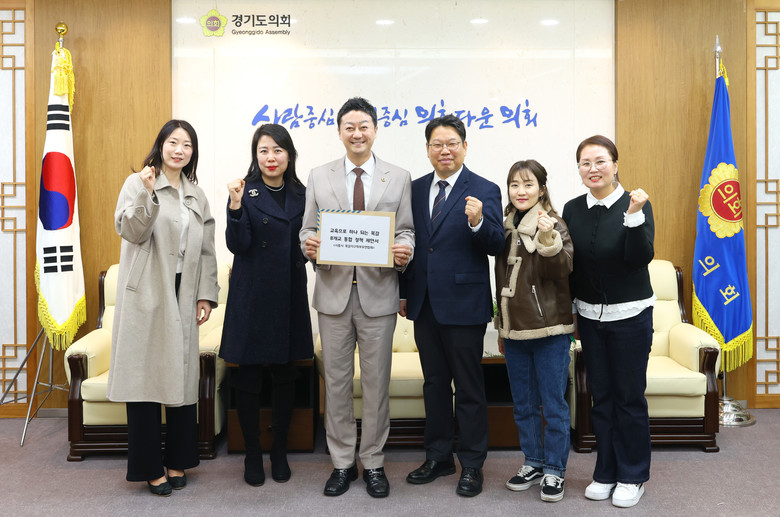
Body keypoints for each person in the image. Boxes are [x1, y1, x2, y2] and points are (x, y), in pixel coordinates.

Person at [300, 97, 415, 498]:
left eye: (364, 126)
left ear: (375, 130)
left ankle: (375, 462)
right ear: (339, 132)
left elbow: (406, 230)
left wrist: (404, 250)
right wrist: (310, 246)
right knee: (336, 384)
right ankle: (342, 463)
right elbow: (306, 231)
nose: (357, 133)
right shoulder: (319, 176)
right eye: (349, 127)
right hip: (333, 295)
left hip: (378, 296)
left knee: (377, 384)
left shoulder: (398, 177)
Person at [108, 120, 219, 496]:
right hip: (146, 293)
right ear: (160, 145)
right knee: (145, 380)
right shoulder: (137, 182)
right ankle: (149, 468)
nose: (179, 150)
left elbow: (207, 250)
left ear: (192, 153)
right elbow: (131, 231)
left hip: (184, 291)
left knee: (182, 378)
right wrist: (147, 193)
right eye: (173, 142)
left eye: (187, 145)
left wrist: (205, 293)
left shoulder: (196, 195)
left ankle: (177, 460)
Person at [401, 114, 504, 497]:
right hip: (424, 302)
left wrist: (477, 222)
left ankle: (472, 464)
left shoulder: (485, 189)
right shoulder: (414, 189)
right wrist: (403, 291)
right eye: (437, 144)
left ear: (464, 146)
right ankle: (439, 456)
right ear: (428, 149)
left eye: (451, 144)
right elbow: (409, 242)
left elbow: (496, 244)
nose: (444, 150)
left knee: (469, 386)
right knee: (434, 385)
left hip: (464, 303)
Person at [561, 135, 654, 508]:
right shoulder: (572, 209)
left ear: (615, 165)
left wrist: (634, 217)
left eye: (600, 161)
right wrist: (571, 311)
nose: (593, 169)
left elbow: (639, 258)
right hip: (589, 318)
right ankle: (606, 471)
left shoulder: (636, 203)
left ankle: (633, 475)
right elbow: (570, 265)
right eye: (585, 163)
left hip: (631, 316)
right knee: (600, 397)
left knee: (628, 397)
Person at [219, 124, 313, 487]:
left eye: (277, 150)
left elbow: (311, 244)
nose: (270, 157)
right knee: (249, 376)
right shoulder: (244, 191)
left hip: (289, 293)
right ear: (255, 155)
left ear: (289, 155)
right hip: (252, 294)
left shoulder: (304, 194)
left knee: (285, 374)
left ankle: (279, 451)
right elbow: (238, 244)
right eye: (263, 151)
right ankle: (253, 453)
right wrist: (235, 205)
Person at [494, 160, 574, 503]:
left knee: (553, 405)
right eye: (514, 185)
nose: (520, 191)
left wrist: (547, 238)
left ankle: (555, 469)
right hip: (514, 332)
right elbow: (501, 282)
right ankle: (534, 462)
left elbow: (562, 269)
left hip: (550, 331)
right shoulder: (504, 227)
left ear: (541, 189)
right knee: (523, 405)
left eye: (528, 185)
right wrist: (502, 326)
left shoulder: (554, 223)